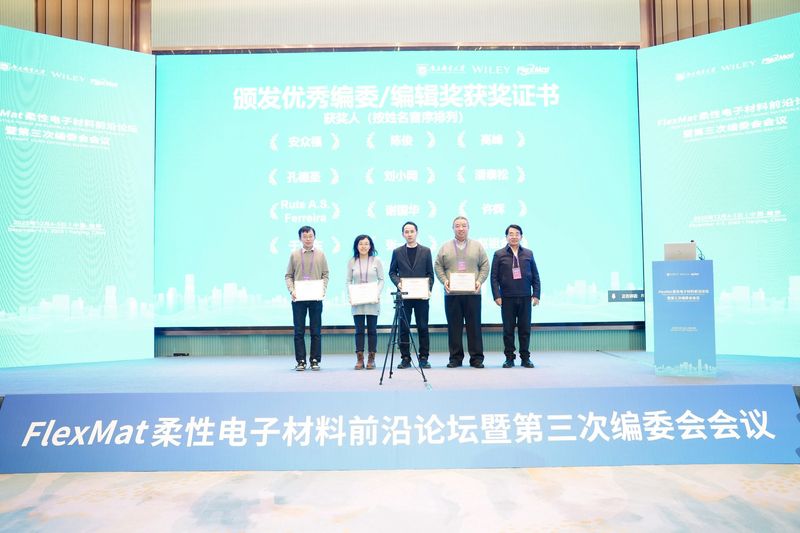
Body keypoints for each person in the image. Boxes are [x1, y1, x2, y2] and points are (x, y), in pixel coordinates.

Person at [434, 216, 489, 368]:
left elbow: (485, 266)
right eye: (457, 226)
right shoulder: (445, 247)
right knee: (454, 327)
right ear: (453, 228)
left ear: (468, 228)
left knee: (474, 327)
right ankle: (455, 358)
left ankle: (476, 358)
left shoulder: (477, 246)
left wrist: (479, 281)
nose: (461, 228)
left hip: (473, 294)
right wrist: (444, 280)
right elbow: (438, 266)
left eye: (464, 225)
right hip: (452, 294)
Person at [490, 224, 541, 368]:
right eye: (510, 234)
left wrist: (536, 294)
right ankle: (509, 358)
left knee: (525, 330)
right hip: (507, 298)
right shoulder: (499, 254)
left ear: (521, 236)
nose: (514, 236)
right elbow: (494, 277)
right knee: (508, 330)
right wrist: (497, 295)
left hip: (525, 297)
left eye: (516, 234)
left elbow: (536, 276)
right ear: (506, 237)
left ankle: (525, 358)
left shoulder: (528, 253)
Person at [388, 221, 435, 369]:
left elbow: (430, 274)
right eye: (406, 232)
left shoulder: (426, 251)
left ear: (417, 233)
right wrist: (398, 283)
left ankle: (423, 357)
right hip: (404, 296)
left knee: (423, 327)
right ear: (403, 234)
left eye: (412, 231)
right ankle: (405, 358)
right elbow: (392, 272)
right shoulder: (397, 252)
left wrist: (428, 289)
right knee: (403, 327)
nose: (409, 234)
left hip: (421, 296)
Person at [285, 225, 329, 371]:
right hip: (298, 299)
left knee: (316, 331)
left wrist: (323, 289)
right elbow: (288, 276)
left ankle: (315, 359)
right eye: (305, 236)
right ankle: (301, 361)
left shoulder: (321, 254)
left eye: (310, 236)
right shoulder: (294, 255)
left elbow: (325, 274)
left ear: (314, 237)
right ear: (300, 238)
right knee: (299, 331)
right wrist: (292, 290)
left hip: (316, 298)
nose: (308, 239)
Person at [346, 234, 384, 370]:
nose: (363, 246)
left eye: (366, 244)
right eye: (361, 244)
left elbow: (381, 279)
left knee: (372, 330)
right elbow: (348, 280)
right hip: (357, 300)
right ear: (356, 246)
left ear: (370, 246)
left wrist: (377, 293)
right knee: (359, 330)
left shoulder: (376, 261)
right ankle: (360, 358)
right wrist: (351, 295)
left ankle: (371, 359)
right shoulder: (352, 261)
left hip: (373, 300)